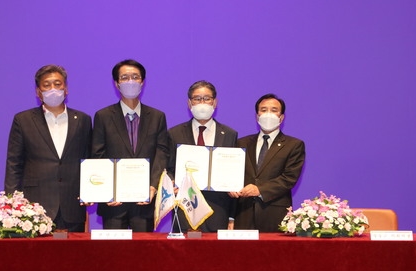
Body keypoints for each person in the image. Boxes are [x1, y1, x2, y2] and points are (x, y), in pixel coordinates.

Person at [4, 64, 92, 232]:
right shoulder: (23, 120)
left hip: (72, 205)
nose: (53, 88)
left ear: (66, 89)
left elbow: (89, 160)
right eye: (47, 85)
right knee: (37, 257)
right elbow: (14, 163)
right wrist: (12, 203)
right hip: (34, 207)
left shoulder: (82, 120)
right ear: (38, 91)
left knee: (72, 257)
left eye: (58, 84)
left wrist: (92, 192)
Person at [92, 59, 169, 232]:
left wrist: (153, 186)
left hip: (145, 200)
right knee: (113, 255)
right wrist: (106, 190)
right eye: (125, 77)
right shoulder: (103, 116)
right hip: (113, 202)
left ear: (142, 81)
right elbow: (98, 155)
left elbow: (161, 153)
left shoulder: (157, 117)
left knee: (144, 255)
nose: (130, 81)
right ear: (117, 83)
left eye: (135, 77)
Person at [229, 93, 305, 233]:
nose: (268, 114)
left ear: (281, 117)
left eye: (274, 110)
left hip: (275, 215)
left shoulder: (294, 145)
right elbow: (232, 174)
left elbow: (289, 178)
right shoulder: (241, 143)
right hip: (243, 215)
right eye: (263, 110)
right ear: (257, 116)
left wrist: (260, 189)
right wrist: (230, 215)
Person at [168, 80, 237, 232]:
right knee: (183, 252)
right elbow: (168, 167)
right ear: (189, 103)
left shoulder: (230, 134)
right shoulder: (174, 134)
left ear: (215, 102)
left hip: (218, 208)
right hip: (185, 206)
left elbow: (234, 174)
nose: (202, 102)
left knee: (214, 254)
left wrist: (232, 216)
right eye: (197, 99)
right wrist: (171, 181)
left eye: (207, 98)